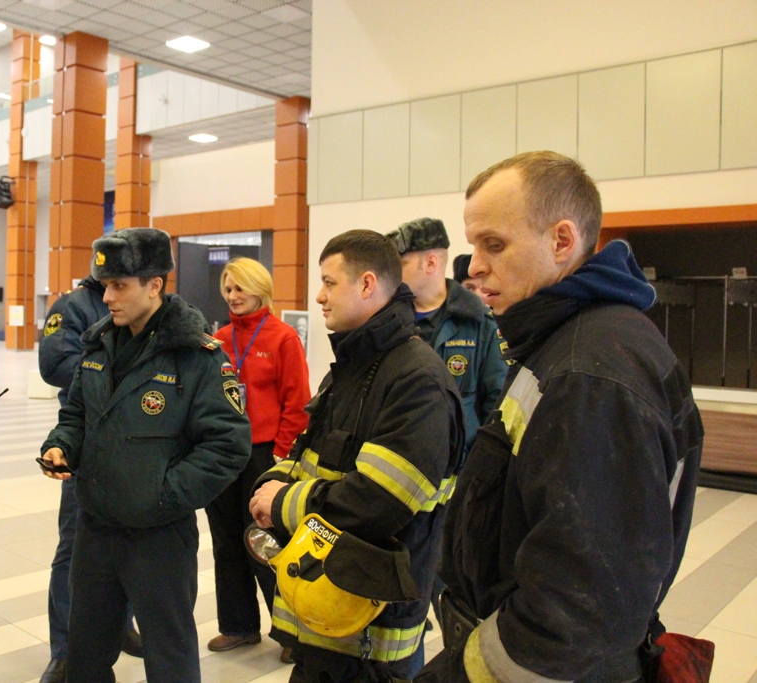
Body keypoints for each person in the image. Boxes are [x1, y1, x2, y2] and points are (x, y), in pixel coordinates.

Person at [418, 151, 704, 683]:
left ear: (563, 241)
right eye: (473, 244)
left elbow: (575, 612)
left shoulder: (589, 376)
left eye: (494, 244)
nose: (474, 265)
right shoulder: (567, 343)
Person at [37, 228, 251, 683]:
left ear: (155, 285)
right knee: (86, 653)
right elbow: (75, 413)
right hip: (95, 529)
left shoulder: (196, 356)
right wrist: (60, 444)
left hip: (158, 537)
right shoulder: (99, 346)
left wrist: (163, 494)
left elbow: (228, 444)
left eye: (120, 286)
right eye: (105, 286)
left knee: (169, 655)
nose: (109, 297)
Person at [249, 229, 464, 682]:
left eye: (329, 282)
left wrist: (284, 503)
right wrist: (271, 482)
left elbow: (381, 501)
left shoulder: (417, 381)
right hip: (327, 615)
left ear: (367, 285)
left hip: (369, 638)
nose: (319, 296)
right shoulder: (353, 366)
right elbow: (314, 452)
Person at [36, 276, 142, 683]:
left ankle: (120, 626)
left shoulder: (149, 300)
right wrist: (119, 368)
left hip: (136, 446)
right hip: (88, 442)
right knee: (74, 549)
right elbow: (54, 364)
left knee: (129, 545)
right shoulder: (74, 305)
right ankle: (64, 649)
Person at [206, 258, 310, 659]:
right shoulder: (218, 339)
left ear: (260, 290)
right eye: (228, 290)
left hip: (264, 456)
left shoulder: (282, 339)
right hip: (223, 454)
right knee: (225, 542)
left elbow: (298, 404)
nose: (233, 297)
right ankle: (238, 625)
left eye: (240, 289)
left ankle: (289, 633)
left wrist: (281, 459)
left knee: (267, 542)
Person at [385, 217, 507, 453]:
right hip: (396, 458)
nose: (391, 274)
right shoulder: (386, 322)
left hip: (458, 470)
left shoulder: (479, 324)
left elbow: (496, 406)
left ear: (430, 263)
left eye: (401, 263)